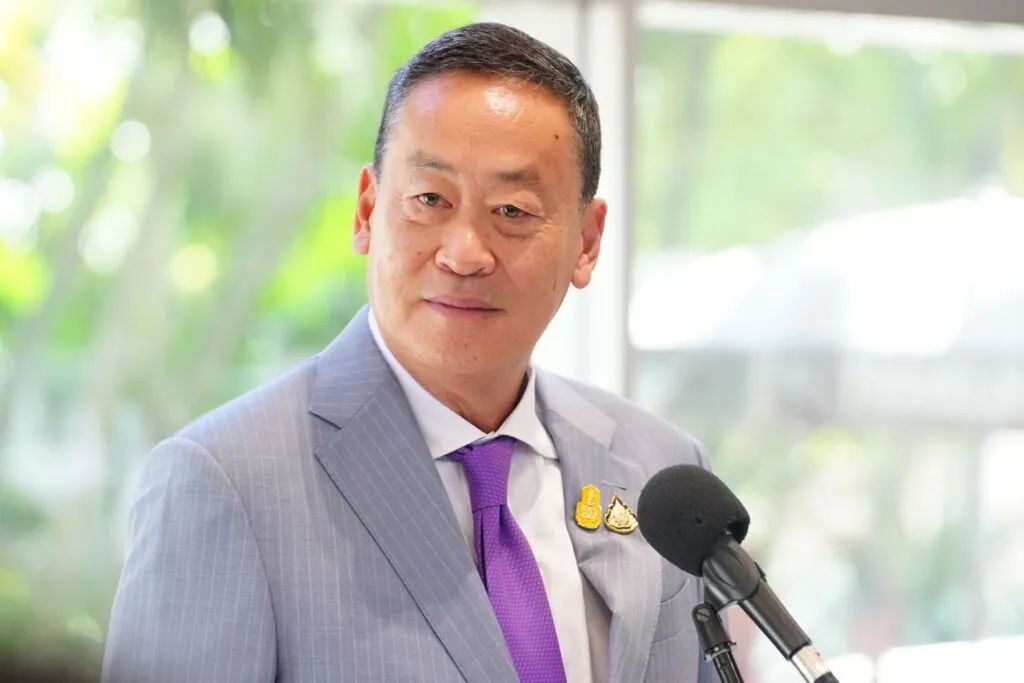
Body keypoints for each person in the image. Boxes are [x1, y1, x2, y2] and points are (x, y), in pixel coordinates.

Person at [103, 22, 714, 683]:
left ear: (587, 242)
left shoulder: (665, 474)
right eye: (429, 199)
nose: (465, 253)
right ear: (367, 211)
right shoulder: (225, 483)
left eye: (512, 210)